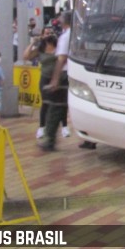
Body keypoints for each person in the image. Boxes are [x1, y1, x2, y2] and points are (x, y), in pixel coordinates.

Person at [38, 11, 73, 151]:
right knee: (60, 106)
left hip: (64, 74)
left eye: (60, 17)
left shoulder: (65, 36)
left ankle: (49, 140)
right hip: (74, 73)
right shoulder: (78, 34)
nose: (58, 19)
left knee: (55, 106)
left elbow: (61, 59)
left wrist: (55, 78)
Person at [23, 34, 69, 139]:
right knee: (45, 103)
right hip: (45, 78)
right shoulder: (40, 49)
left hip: (60, 78)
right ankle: (42, 127)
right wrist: (32, 43)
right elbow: (26, 56)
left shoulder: (59, 48)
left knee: (61, 103)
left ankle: (64, 126)